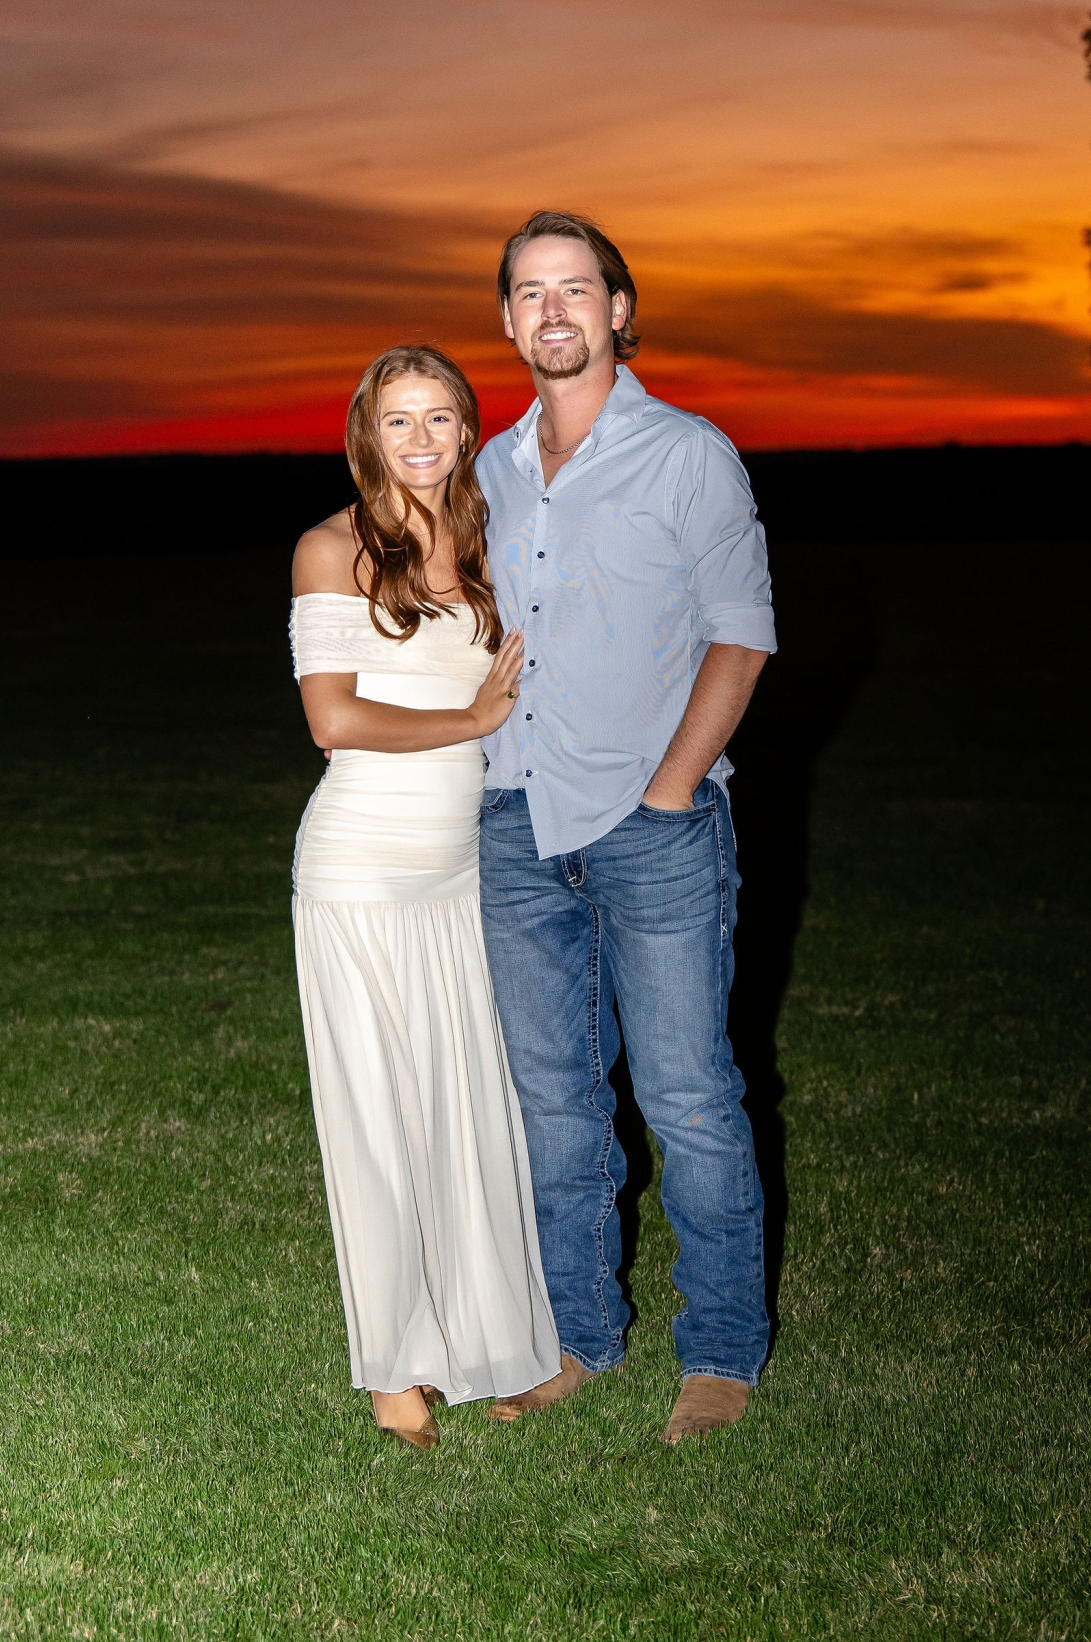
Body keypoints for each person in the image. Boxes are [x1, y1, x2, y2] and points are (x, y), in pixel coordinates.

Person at [477, 211, 776, 1445]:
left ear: (618, 311)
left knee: (688, 1094)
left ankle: (719, 1353)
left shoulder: (687, 453)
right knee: (552, 1101)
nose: (554, 311)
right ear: (505, 321)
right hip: (512, 819)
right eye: (530, 293)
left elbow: (741, 630)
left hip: (652, 827)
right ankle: (577, 1337)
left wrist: (669, 789)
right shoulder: (489, 465)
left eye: (576, 290)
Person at [289, 344, 559, 1450]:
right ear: (368, 432)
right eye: (396, 420)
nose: (417, 439)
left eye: (437, 418)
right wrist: (469, 724)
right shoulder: (330, 547)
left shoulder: (491, 537)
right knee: (375, 1116)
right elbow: (333, 721)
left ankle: (485, 1334)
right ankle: (393, 1368)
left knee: (462, 1108)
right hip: (359, 864)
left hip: (459, 867)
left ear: (463, 428)